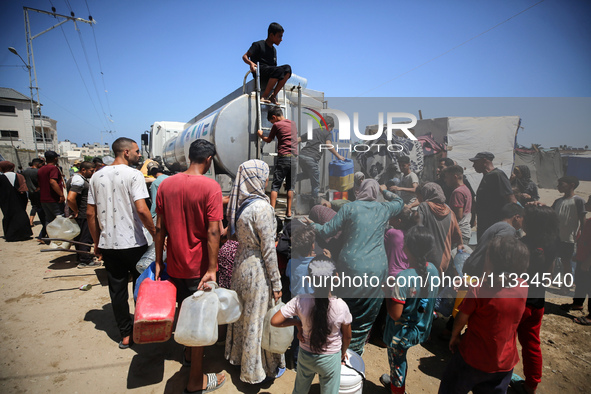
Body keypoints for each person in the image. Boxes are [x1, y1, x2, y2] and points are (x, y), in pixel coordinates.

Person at [154, 139, 226, 394]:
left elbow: (159, 227)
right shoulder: (211, 186)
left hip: (174, 263)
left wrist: (159, 262)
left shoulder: (166, 185)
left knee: (183, 311)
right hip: (199, 268)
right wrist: (213, 268)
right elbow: (214, 231)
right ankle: (196, 381)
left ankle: (186, 354)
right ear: (208, 159)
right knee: (199, 321)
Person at [311, 179, 404, 355]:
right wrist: (385, 191)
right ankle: (356, 352)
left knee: (346, 310)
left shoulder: (349, 208)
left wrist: (311, 225)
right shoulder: (383, 209)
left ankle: (338, 350)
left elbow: (325, 231)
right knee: (366, 315)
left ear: (360, 191)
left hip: (351, 267)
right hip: (377, 268)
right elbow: (400, 202)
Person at [87, 137, 156, 349]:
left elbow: (90, 213)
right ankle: (143, 328)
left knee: (117, 291)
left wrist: (97, 242)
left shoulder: (96, 176)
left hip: (109, 245)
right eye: (136, 151)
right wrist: (156, 232)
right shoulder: (134, 175)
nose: (139, 155)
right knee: (141, 287)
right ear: (126, 152)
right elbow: (143, 209)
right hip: (135, 243)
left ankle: (126, 335)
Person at [438, 236, 530, 394]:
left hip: (472, 357)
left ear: (492, 262)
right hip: (504, 362)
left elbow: (462, 317)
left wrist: (455, 335)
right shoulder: (523, 285)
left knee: (451, 386)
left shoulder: (479, 290)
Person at [225, 159, 286, 384]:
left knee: (243, 316)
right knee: (257, 320)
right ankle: (254, 371)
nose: (267, 179)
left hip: (241, 264)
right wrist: (277, 284)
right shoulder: (262, 208)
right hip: (257, 270)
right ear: (258, 179)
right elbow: (269, 251)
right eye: (265, 175)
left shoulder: (243, 205)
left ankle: (238, 358)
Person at [271, 259, 352, 394]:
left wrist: (297, 323)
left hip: (306, 355)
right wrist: (343, 352)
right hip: (330, 359)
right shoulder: (341, 306)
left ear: (309, 279)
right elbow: (347, 336)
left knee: (300, 389)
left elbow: (275, 321)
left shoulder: (300, 300)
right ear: (336, 277)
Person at [380, 226, 440, 394]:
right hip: (421, 329)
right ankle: (396, 382)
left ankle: (398, 389)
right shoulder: (434, 270)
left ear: (407, 249)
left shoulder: (403, 278)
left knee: (397, 363)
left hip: (400, 334)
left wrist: (387, 293)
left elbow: (395, 314)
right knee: (400, 360)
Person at [516, 205, 559, 394]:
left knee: (505, 338)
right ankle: (531, 385)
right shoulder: (552, 244)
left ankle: (497, 373)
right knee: (532, 343)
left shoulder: (522, 244)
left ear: (531, 224)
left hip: (518, 303)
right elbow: (548, 276)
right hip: (538, 303)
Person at [463, 203, 524, 277]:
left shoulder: (498, 226)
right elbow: (496, 251)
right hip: (479, 272)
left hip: (473, 267)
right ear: (517, 217)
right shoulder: (508, 229)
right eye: (522, 219)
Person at [257, 107, 297, 217]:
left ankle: (272, 210)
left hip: (283, 157)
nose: (272, 123)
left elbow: (269, 140)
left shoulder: (277, 125)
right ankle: (288, 211)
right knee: (290, 187)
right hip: (294, 159)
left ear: (274, 117)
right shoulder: (293, 124)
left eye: (271, 121)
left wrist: (260, 135)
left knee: (275, 185)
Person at [415, 182, 463, 272]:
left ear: (425, 193)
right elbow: (458, 236)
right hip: (446, 260)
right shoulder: (450, 212)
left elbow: (417, 229)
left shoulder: (424, 207)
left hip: (429, 259)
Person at [297, 115, 345, 202]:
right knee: (316, 184)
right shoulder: (327, 133)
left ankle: (291, 180)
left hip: (302, 156)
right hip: (312, 158)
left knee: (307, 174)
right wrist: (339, 156)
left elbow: (298, 139)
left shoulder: (313, 131)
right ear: (329, 125)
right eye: (331, 128)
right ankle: (314, 204)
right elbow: (328, 145)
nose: (331, 130)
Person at [470, 151, 516, 240]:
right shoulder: (487, 176)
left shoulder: (497, 175)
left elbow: (511, 199)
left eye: (476, 162)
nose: (473, 166)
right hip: (485, 225)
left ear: (484, 161)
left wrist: (510, 223)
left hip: (495, 226)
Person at [551, 176, 586, 294]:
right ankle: (548, 280)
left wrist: (582, 236)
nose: (559, 187)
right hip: (555, 237)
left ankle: (567, 285)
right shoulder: (557, 201)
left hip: (569, 238)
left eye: (561, 184)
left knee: (566, 261)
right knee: (551, 258)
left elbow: (583, 220)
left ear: (571, 185)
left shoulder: (578, 201)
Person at [243, 22, 292, 105]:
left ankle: (273, 96)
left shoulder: (274, 50)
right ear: (271, 35)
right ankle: (264, 96)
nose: (281, 39)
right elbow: (245, 56)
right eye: (279, 36)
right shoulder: (258, 45)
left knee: (288, 69)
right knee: (279, 70)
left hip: (270, 71)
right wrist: (251, 63)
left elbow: (275, 67)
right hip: (259, 70)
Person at [561, 195, 591, 320]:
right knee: (580, 282)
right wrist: (578, 256)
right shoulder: (589, 221)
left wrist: (588, 262)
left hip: (588, 261)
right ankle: (578, 303)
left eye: (589, 201)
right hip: (582, 258)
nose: (587, 203)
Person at [66, 161, 99, 268]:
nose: (93, 172)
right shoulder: (78, 180)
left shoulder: (76, 179)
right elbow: (70, 198)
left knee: (79, 238)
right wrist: (76, 211)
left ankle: (80, 257)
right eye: (91, 170)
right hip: (83, 214)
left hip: (81, 214)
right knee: (85, 237)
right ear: (83, 170)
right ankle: (85, 260)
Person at [0, 161, 33, 242]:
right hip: (19, 198)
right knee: (21, 215)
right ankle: (24, 234)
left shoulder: (1, 177)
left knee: (8, 216)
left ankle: (11, 235)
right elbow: (23, 188)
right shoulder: (18, 175)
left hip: (6, 200)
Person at [443, 165, 473, 245]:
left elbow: (458, 215)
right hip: (464, 231)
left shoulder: (458, 192)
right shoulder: (465, 189)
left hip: (459, 233)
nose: (445, 180)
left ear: (455, 177)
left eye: (447, 177)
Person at [38, 150, 65, 226]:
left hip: (44, 199)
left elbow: (40, 183)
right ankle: (60, 236)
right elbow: (53, 182)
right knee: (60, 217)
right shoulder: (53, 168)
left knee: (49, 219)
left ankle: (49, 235)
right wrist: (61, 195)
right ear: (55, 158)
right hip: (54, 198)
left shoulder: (41, 169)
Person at [22, 158, 45, 230]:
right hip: (38, 192)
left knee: (34, 206)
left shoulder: (25, 171)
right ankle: (43, 222)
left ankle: (31, 221)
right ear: (37, 164)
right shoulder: (38, 172)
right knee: (41, 208)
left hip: (30, 192)